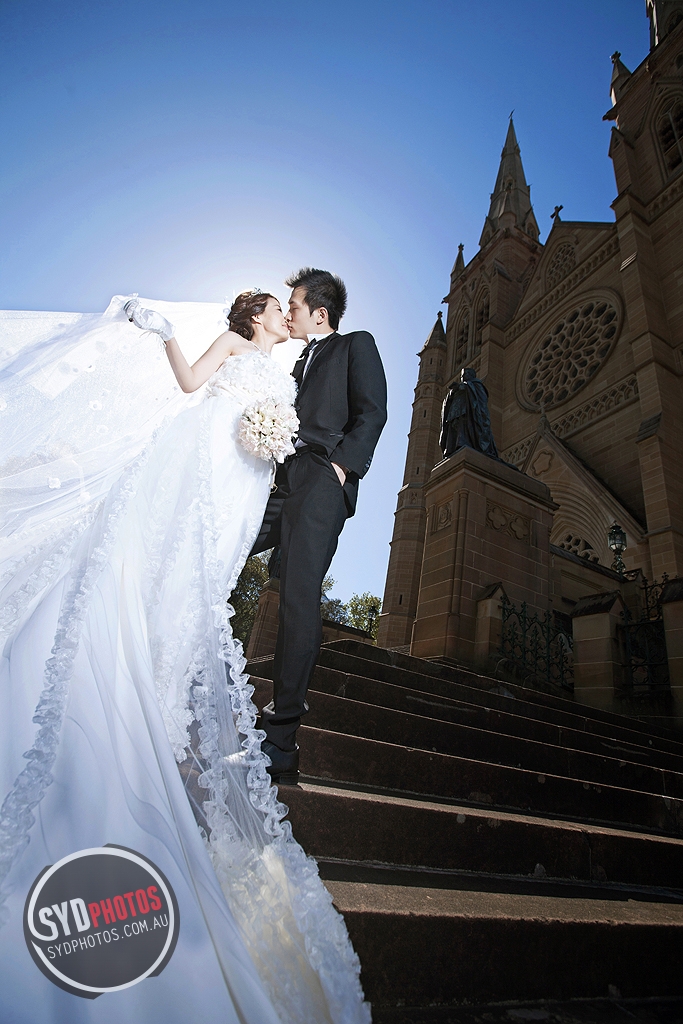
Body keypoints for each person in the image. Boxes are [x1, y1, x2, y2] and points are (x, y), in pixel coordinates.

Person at [0, 291, 370, 1024]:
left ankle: (162, 689)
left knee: (205, 582)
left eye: (287, 307)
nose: (283, 314)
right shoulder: (235, 347)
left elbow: (304, 427)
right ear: (254, 317)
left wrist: (293, 448)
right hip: (207, 463)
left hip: (247, 484)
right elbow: (191, 383)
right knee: (169, 564)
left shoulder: (291, 368)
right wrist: (168, 335)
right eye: (275, 307)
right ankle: (136, 670)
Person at [251, 269, 387, 785]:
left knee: (298, 596)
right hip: (279, 482)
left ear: (320, 313)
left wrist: (341, 467)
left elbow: (373, 412)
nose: (288, 313)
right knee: (223, 545)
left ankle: (281, 739)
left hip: (321, 481)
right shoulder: (296, 362)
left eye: (294, 306)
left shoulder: (355, 345)